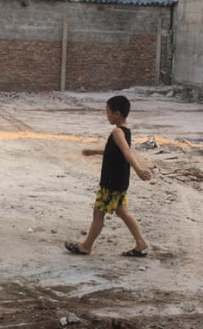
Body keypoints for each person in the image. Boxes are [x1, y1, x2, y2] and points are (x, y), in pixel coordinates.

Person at [65, 95, 152, 257]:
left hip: (111, 182)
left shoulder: (117, 132)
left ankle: (86, 246)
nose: (107, 115)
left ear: (117, 113)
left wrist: (138, 169)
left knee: (98, 213)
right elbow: (115, 151)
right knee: (122, 211)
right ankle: (141, 242)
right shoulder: (125, 131)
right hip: (119, 180)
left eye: (108, 112)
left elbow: (127, 152)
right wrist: (94, 152)